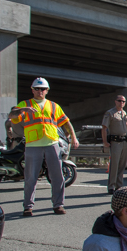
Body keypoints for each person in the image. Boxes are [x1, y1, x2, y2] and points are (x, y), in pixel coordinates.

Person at [9, 78, 79, 217]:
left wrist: (74, 137)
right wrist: (22, 110)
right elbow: (12, 116)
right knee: (30, 177)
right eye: (36, 88)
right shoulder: (25, 104)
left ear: (47, 91)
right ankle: (28, 207)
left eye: (42, 89)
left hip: (52, 144)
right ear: (32, 89)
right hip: (32, 145)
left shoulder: (54, 106)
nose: (39, 91)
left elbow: (66, 122)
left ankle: (58, 205)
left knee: (57, 176)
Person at [101, 95, 127, 194]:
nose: (121, 103)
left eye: (123, 101)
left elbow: (126, 125)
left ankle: (119, 186)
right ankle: (111, 186)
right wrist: (105, 141)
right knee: (114, 165)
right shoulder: (110, 113)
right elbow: (104, 127)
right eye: (119, 101)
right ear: (115, 101)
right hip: (115, 141)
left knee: (122, 165)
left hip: (124, 141)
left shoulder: (124, 113)